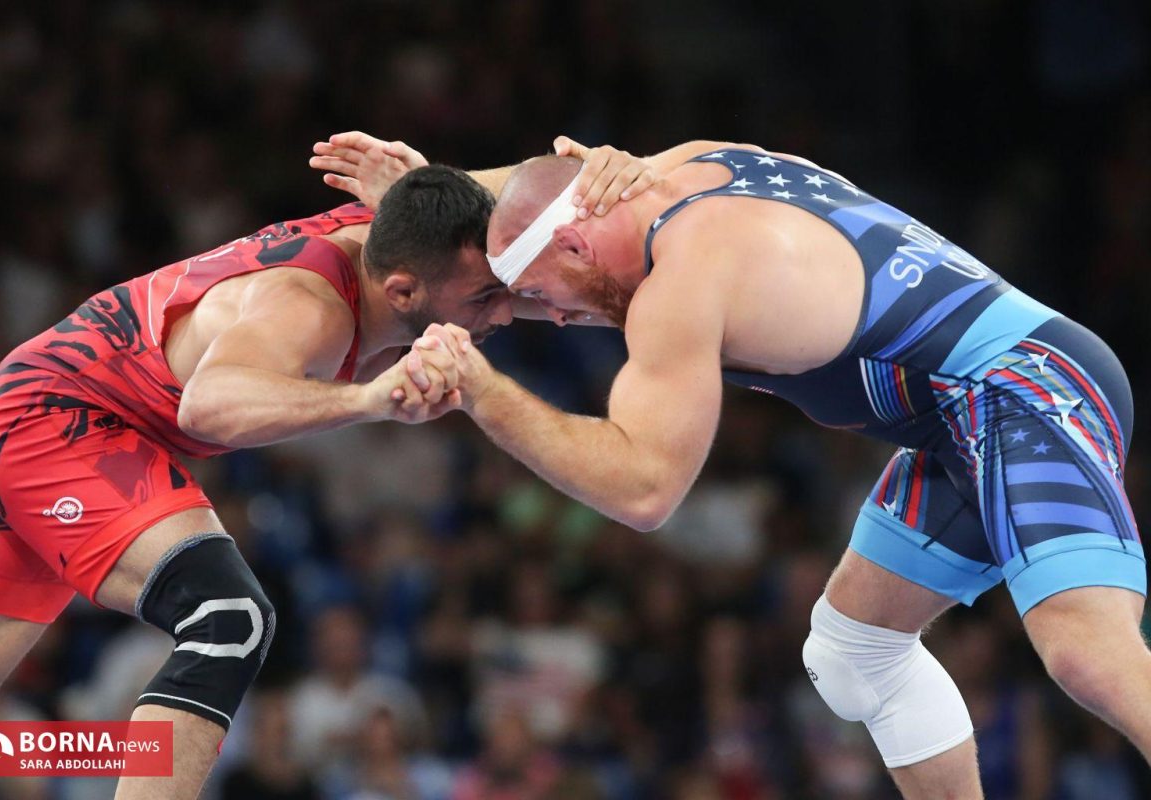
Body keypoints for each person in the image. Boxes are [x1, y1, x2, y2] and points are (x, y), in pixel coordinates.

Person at [337, 134, 1147, 798]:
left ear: (580, 241)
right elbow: (549, 186)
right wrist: (426, 195)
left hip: (1023, 384)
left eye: (552, 300)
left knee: (1086, 651)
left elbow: (645, 489)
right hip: (962, 414)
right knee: (854, 646)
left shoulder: (684, 285)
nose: (558, 320)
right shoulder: (684, 166)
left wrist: (485, 394)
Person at [0, 141, 651, 799]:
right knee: (226, 617)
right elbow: (209, 405)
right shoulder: (307, 304)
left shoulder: (410, 233)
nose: (509, 310)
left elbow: (515, 204)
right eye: (483, 301)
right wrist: (370, 400)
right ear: (404, 291)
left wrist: (611, 171)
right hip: (62, 421)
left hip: (46, 410)